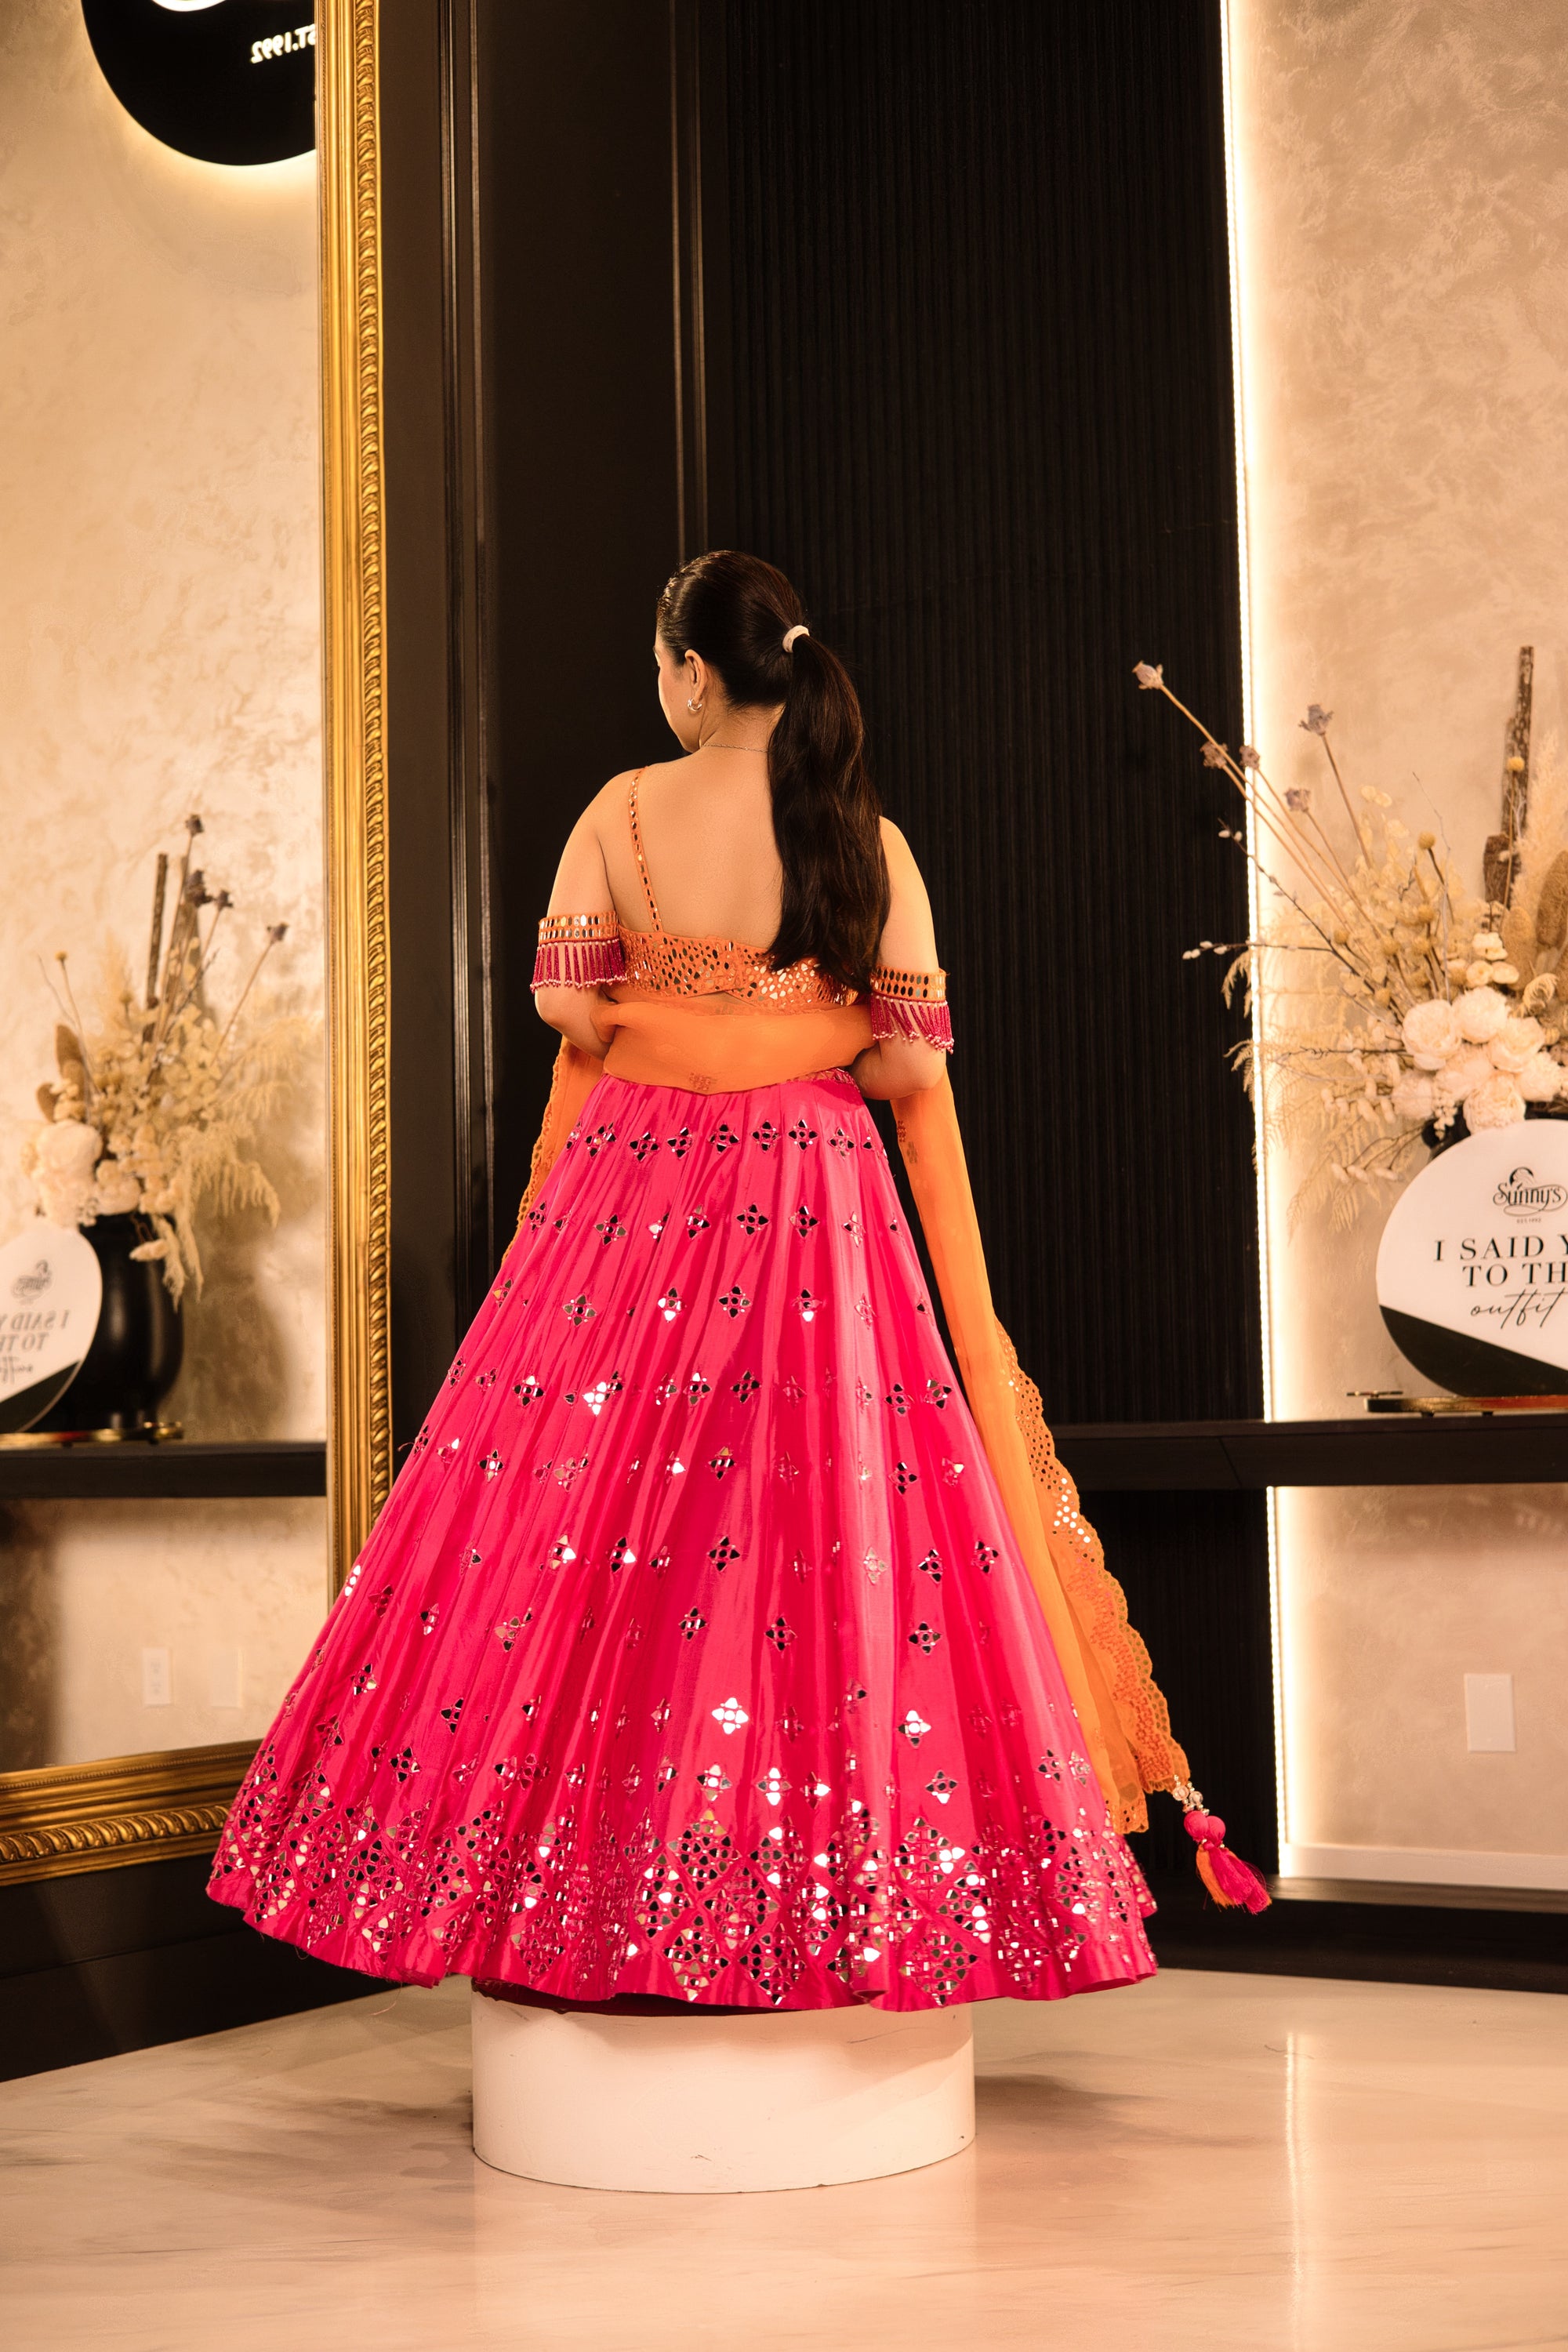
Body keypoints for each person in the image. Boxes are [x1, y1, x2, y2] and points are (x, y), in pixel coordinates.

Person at [210, 550, 1262, 2014]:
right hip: (812, 1197)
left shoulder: (621, 809)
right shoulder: (864, 834)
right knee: (811, 1521)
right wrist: (796, 1037)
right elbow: (907, 1063)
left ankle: (586, 1893)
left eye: (661, 669)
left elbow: (568, 1001)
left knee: (594, 1516)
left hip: (632, 1191)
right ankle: (845, 1899)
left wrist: (676, 1025)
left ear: (694, 673)